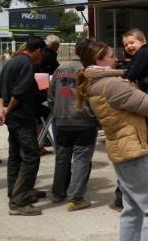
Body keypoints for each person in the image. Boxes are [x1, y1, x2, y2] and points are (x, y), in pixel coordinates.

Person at [76, 41, 148, 241]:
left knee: (133, 209)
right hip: (138, 152)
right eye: (112, 55)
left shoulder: (95, 84)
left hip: (123, 152)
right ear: (99, 60)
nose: (116, 58)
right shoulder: (111, 84)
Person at [0, 36, 46, 216]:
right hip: (21, 118)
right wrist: (6, 111)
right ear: (38, 51)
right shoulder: (27, 64)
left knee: (16, 156)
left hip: (13, 117)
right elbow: (18, 93)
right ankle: (19, 200)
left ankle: (15, 191)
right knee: (32, 155)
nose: (41, 58)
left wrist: (2, 110)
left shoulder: (10, 62)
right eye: (42, 54)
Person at [48, 38, 97, 212]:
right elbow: (95, 99)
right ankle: (76, 198)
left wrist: (57, 113)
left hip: (61, 121)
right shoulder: (88, 72)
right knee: (81, 160)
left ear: (75, 51)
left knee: (62, 158)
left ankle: (57, 192)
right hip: (83, 121)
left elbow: (51, 96)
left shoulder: (60, 69)